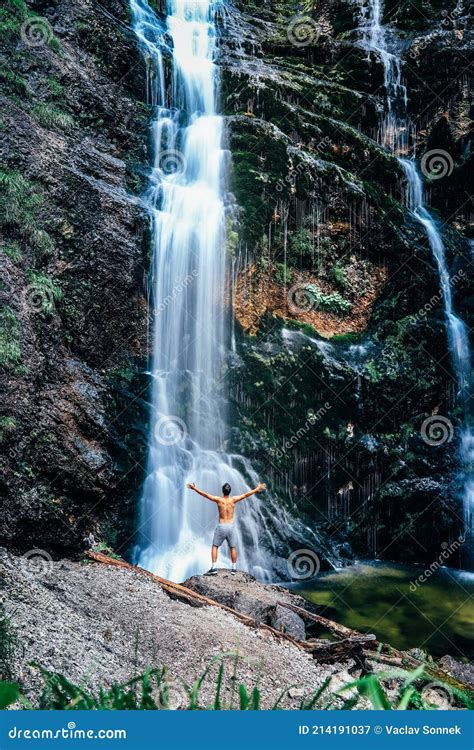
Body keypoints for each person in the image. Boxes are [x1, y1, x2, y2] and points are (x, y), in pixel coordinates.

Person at [186, 481, 266, 575]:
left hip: (222, 526)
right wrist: (257, 489)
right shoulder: (233, 500)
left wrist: (194, 488)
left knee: (215, 546)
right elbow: (246, 495)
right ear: (230, 491)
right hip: (231, 526)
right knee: (233, 547)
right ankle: (234, 568)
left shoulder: (219, 500)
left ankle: (214, 567)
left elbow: (205, 495)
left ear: (222, 491)